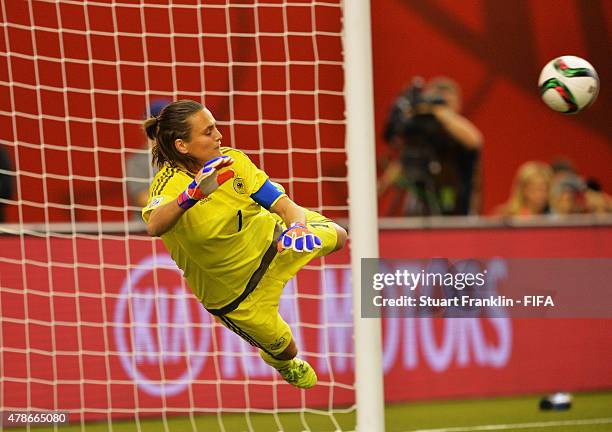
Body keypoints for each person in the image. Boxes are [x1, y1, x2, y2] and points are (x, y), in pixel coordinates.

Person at [141, 100, 347, 389]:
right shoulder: (168, 185)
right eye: (208, 131)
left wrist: (298, 227)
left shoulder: (234, 162)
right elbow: (155, 225)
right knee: (287, 350)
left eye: (215, 127)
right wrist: (193, 194)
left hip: (276, 242)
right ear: (182, 145)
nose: (219, 136)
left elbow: (284, 205)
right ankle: (282, 364)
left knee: (339, 235)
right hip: (237, 297)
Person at [379, 76, 483, 216]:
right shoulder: (425, 130)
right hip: (421, 201)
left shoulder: (458, 130)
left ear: (458, 104)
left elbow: (475, 140)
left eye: (447, 102)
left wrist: (439, 112)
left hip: (455, 203)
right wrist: (379, 189)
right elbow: (405, 160)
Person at [126, 98, 170, 220]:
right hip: (146, 229)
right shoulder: (137, 162)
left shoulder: (183, 155)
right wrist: (181, 202)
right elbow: (143, 199)